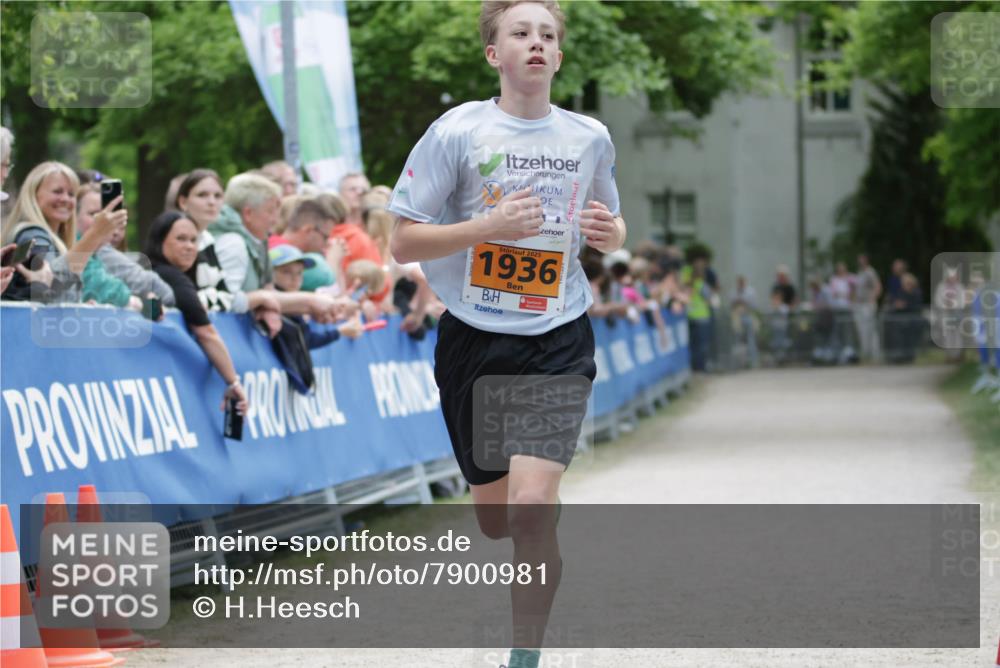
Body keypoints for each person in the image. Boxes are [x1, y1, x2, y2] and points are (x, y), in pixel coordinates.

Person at [388, 3, 625, 667]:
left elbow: (611, 223)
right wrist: (484, 229)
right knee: (495, 522)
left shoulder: (588, 138)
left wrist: (613, 235)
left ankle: (524, 654)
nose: (537, 43)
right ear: (494, 54)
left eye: (548, 34)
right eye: (520, 33)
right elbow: (401, 239)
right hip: (473, 338)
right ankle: (531, 507)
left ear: (559, 54)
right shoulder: (457, 132)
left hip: (558, 335)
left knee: (526, 511)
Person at [146, 212, 280, 414]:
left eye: (193, 240)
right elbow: (206, 333)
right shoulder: (169, 276)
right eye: (180, 239)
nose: (190, 246)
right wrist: (234, 382)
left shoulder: (170, 275)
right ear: (159, 241)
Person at [1, 161, 124, 303]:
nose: (65, 199)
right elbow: (52, 278)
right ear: (34, 194)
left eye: (71, 194)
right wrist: (95, 234)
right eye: (57, 191)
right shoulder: (33, 235)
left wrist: (79, 306)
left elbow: (57, 291)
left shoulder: (55, 239)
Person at [209, 173, 282, 292]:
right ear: (248, 213)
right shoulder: (231, 244)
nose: (275, 220)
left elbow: (267, 290)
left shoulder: (256, 240)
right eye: (270, 211)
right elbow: (228, 299)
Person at [853, 253, 882, 362]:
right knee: (861, 330)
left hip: (867, 304)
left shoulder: (870, 272)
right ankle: (866, 354)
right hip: (859, 304)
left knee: (870, 329)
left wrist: (873, 298)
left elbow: (878, 286)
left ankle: (875, 355)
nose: (860, 262)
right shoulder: (860, 273)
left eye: (862, 260)